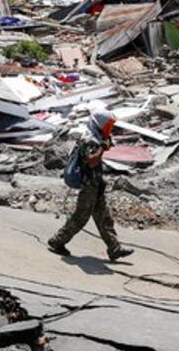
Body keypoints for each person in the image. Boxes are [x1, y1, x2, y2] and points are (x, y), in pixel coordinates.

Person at [48, 104, 133, 261]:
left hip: (96, 183)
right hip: (89, 186)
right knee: (80, 217)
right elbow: (92, 161)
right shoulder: (91, 140)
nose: (110, 128)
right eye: (108, 125)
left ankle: (114, 248)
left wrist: (105, 143)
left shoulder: (96, 137)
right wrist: (102, 147)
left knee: (104, 217)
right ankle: (57, 241)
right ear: (100, 124)